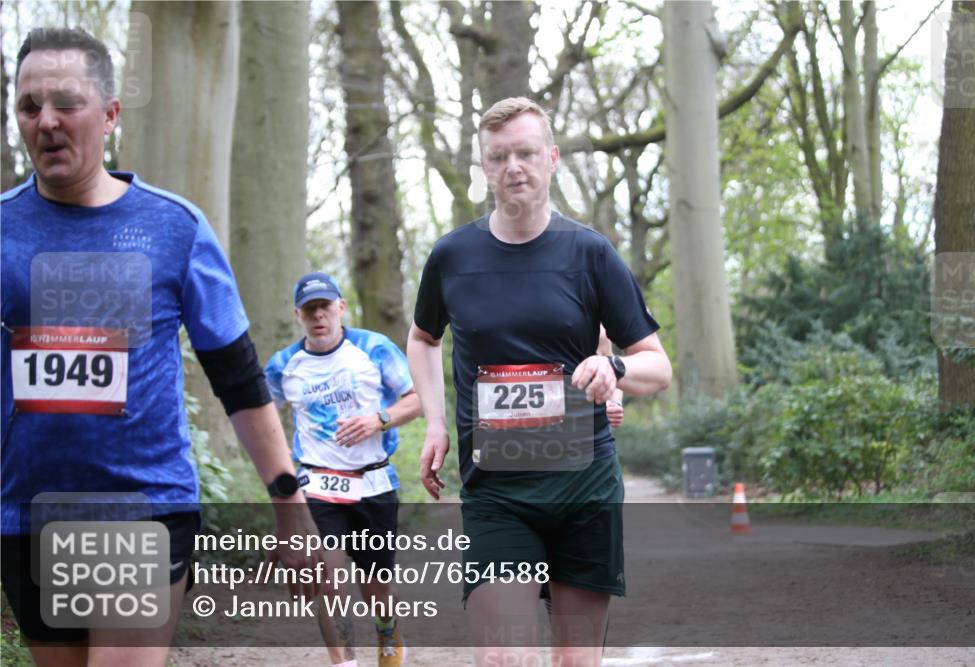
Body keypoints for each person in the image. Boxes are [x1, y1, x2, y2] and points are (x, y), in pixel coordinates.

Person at [1, 27, 319, 667]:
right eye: (30, 106)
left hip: (139, 508)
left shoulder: (172, 227)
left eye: (67, 103)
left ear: (111, 114)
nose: (47, 122)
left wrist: (290, 505)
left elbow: (238, 378)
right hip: (27, 514)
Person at [406, 97, 671, 666]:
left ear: (550, 159)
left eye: (525, 153)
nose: (513, 167)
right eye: (498, 157)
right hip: (498, 492)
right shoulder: (453, 256)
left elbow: (658, 366)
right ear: (484, 169)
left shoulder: (590, 254)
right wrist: (433, 421)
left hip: (583, 490)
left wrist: (614, 366)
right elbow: (423, 338)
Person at [266, 272, 421, 667]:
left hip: (373, 480)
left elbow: (417, 399)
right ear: (297, 314)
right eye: (310, 309)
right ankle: (344, 662)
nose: (319, 316)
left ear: (341, 307)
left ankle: (387, 632)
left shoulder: (374, 348)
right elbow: (262, 418)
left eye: (325, 306)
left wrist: (379, 420)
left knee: (376, 586)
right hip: (317, 482)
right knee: (326, 576)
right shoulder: (284, 365)